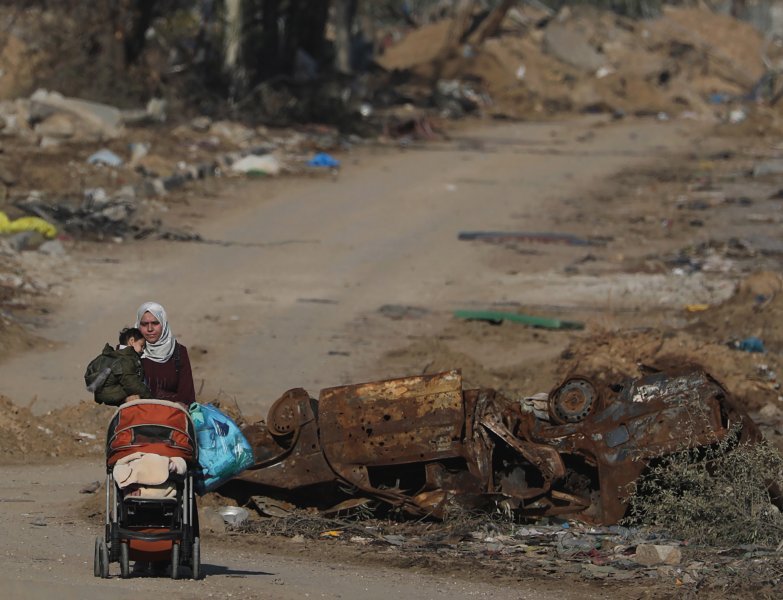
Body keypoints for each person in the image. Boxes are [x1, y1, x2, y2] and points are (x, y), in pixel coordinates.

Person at [135, 301, 196, 406]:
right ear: (138, 325)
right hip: (139, 417)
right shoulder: (129, 352)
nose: (150, 329)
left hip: (171, 416)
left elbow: (187, 395)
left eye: (155, 323)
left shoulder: (178, 352)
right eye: (144, 324)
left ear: (163, 323)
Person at [84, 327, 152, 405]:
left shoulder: (117, 355)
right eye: (141, 346)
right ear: (132, 341)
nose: (143, 351)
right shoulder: (125, 359)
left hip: (104, 394)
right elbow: (131, 383)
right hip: (111, 395)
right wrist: (150, 398)